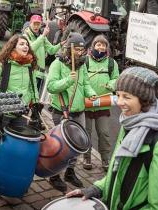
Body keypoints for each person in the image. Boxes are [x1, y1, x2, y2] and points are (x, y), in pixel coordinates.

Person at [66, 67, 158, 210]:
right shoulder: (128, 123)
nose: (119, 102)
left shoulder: (157, 142)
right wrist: (97, 189)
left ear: (145, 100)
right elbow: (117, 171)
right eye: (118, 95)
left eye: (127, 97)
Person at [47, 32, 97, 192]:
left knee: (76, 146)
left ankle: (70, 172)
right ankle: (54, 176)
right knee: (60, 146)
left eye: (82, 50)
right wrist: (68, 80)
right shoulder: (57, 64)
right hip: (62, 111)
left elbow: (85, 84)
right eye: (76, 49)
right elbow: (51, 87)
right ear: (69, 48)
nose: (79, 53)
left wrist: (91, 93)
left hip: (78, 111)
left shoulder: (82, 64)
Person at [0, 34, 40, 169]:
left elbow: (32, 86)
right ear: (13, 47)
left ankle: (4, 170)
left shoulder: (29, 65)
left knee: (15, 145)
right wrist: (5, 103)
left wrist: (36, 104)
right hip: (2, 114)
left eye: (27, 44)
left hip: (21, 114)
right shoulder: (3, 64)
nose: (26, 46)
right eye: (21, 44)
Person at [83, 35, 119, 171]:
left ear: (106, 47)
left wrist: (110, 84)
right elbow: (82, 80)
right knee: (86, 131)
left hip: (103, 103)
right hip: (86, 103)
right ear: (93, 46)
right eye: (98, 44)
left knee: (104, 133)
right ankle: (87, 158)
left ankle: (105, 159)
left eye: (103, 45)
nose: (101, 47)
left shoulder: (111, 63)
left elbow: (116, 79)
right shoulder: (85, 61)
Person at [24, 15, 63, 92]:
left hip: (40, 74)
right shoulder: (26, 36)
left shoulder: (42, 37)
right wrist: (43, 35)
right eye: (34, 24)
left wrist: (61, 44)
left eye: (38, 24)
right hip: (30, 73)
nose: (36, 26)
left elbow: (51, 50)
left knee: (37, 100)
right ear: (30, 23)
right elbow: (31, 49)